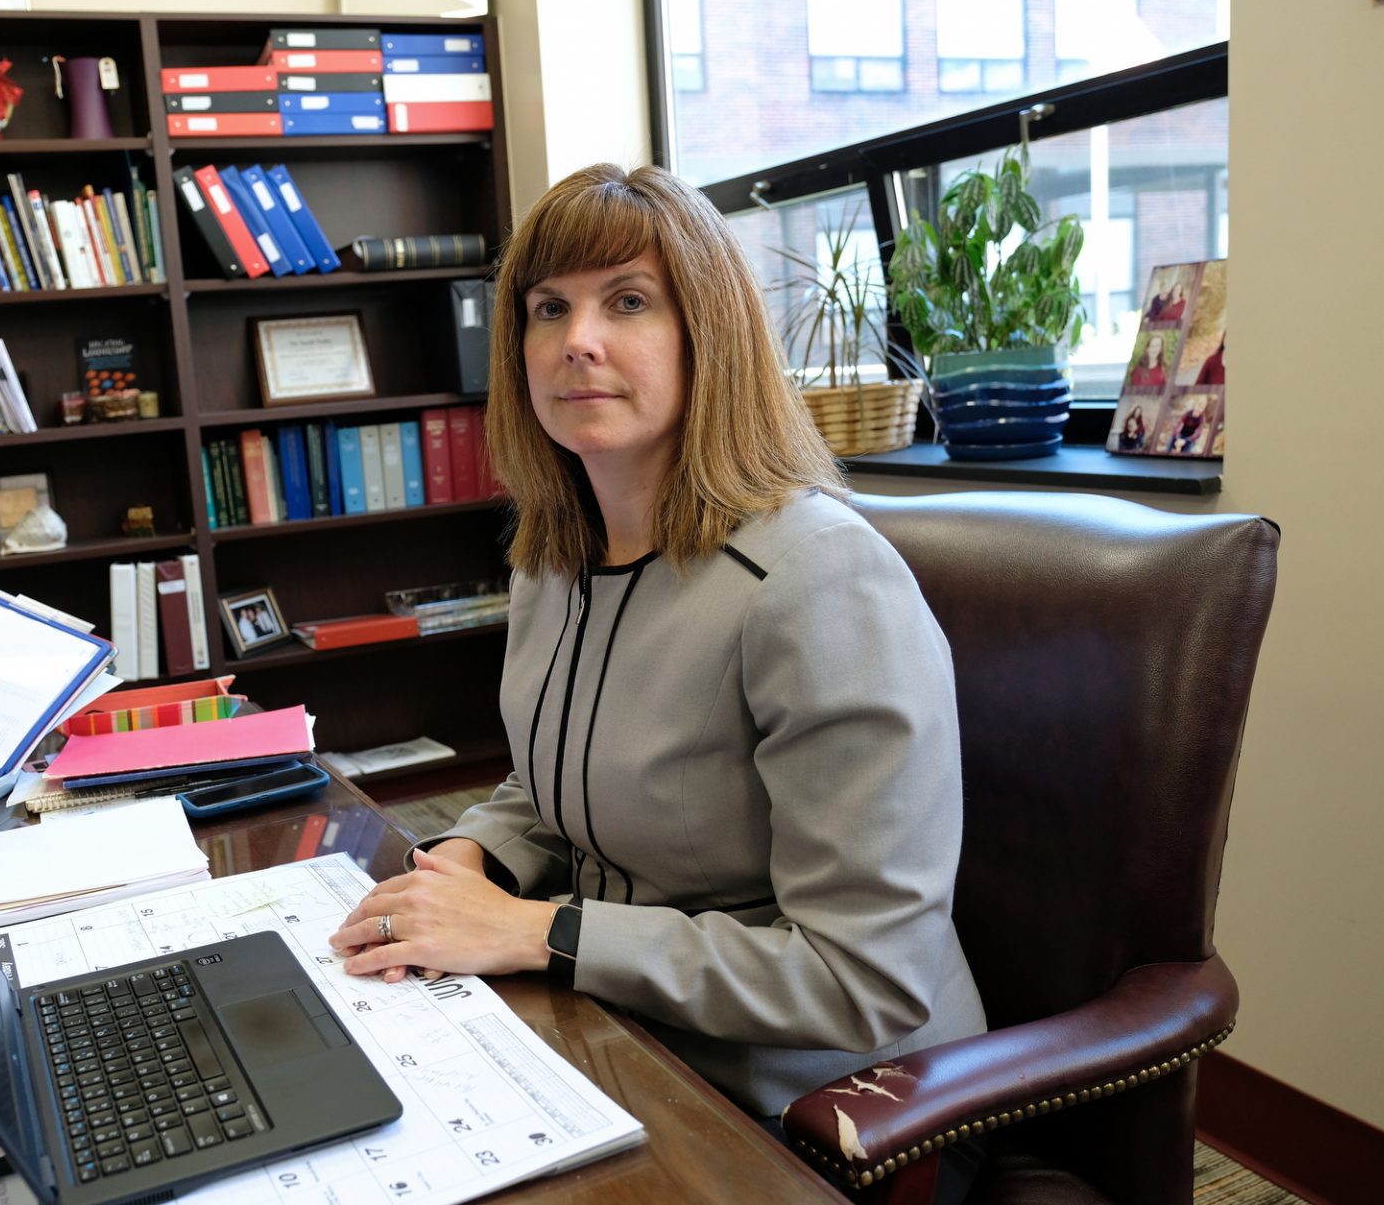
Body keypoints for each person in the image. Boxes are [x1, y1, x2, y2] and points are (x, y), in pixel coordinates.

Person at [329, 165, 987, 1198]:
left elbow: (865, 979)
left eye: (627, 301)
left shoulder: (820, 580)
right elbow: (564, 783)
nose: (576, 339)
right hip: (622, 1030)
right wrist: (465, 858)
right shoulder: (554, 557)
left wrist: (537, 930)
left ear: (707, 336)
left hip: (834, 1101)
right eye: (549, 308)